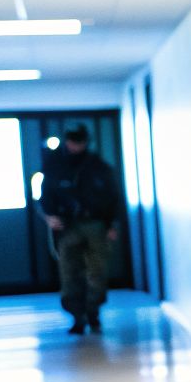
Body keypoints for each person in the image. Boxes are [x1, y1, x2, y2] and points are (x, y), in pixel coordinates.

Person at [39, 125, 121, 335]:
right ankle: (77, 316)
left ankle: (92, 311)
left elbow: (114, 197)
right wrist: (49, 217)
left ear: (85, 142)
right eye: (72, 141)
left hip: (96, 224)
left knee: (98, 272)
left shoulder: (99, 167)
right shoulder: (55, 167)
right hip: (68, 226)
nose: (75, 145)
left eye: (79, 141)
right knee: (70, 273)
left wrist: (112, 224)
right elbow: (45, 197)